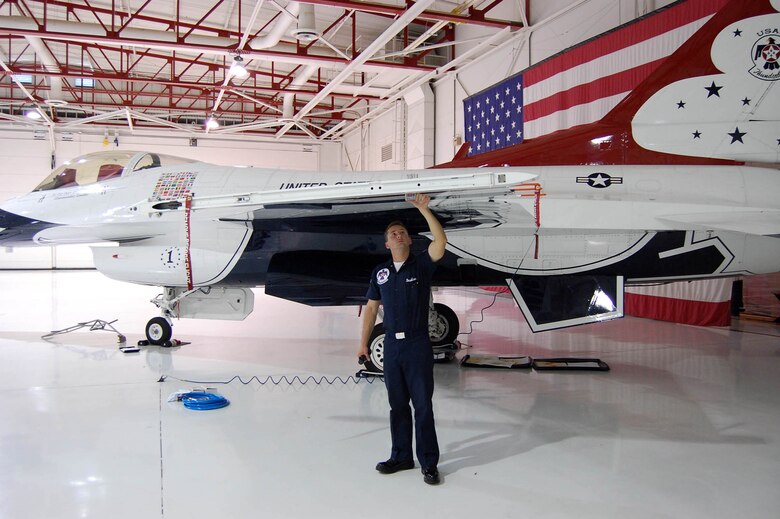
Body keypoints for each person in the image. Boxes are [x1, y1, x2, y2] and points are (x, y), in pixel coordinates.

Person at [358, 193, 447, 486]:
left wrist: (424, 210)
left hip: (417, 345)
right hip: (392, 348)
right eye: (392, 234)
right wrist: (362, 344)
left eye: (402, 233)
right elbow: (371, 308)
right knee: (397, 406)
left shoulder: (421, 265)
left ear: (409, 241)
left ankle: (429, 463)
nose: (397, 235)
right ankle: (401, 456)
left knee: (422, 406)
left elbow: (440, 242)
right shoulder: (380, 273)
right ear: (387, 243)